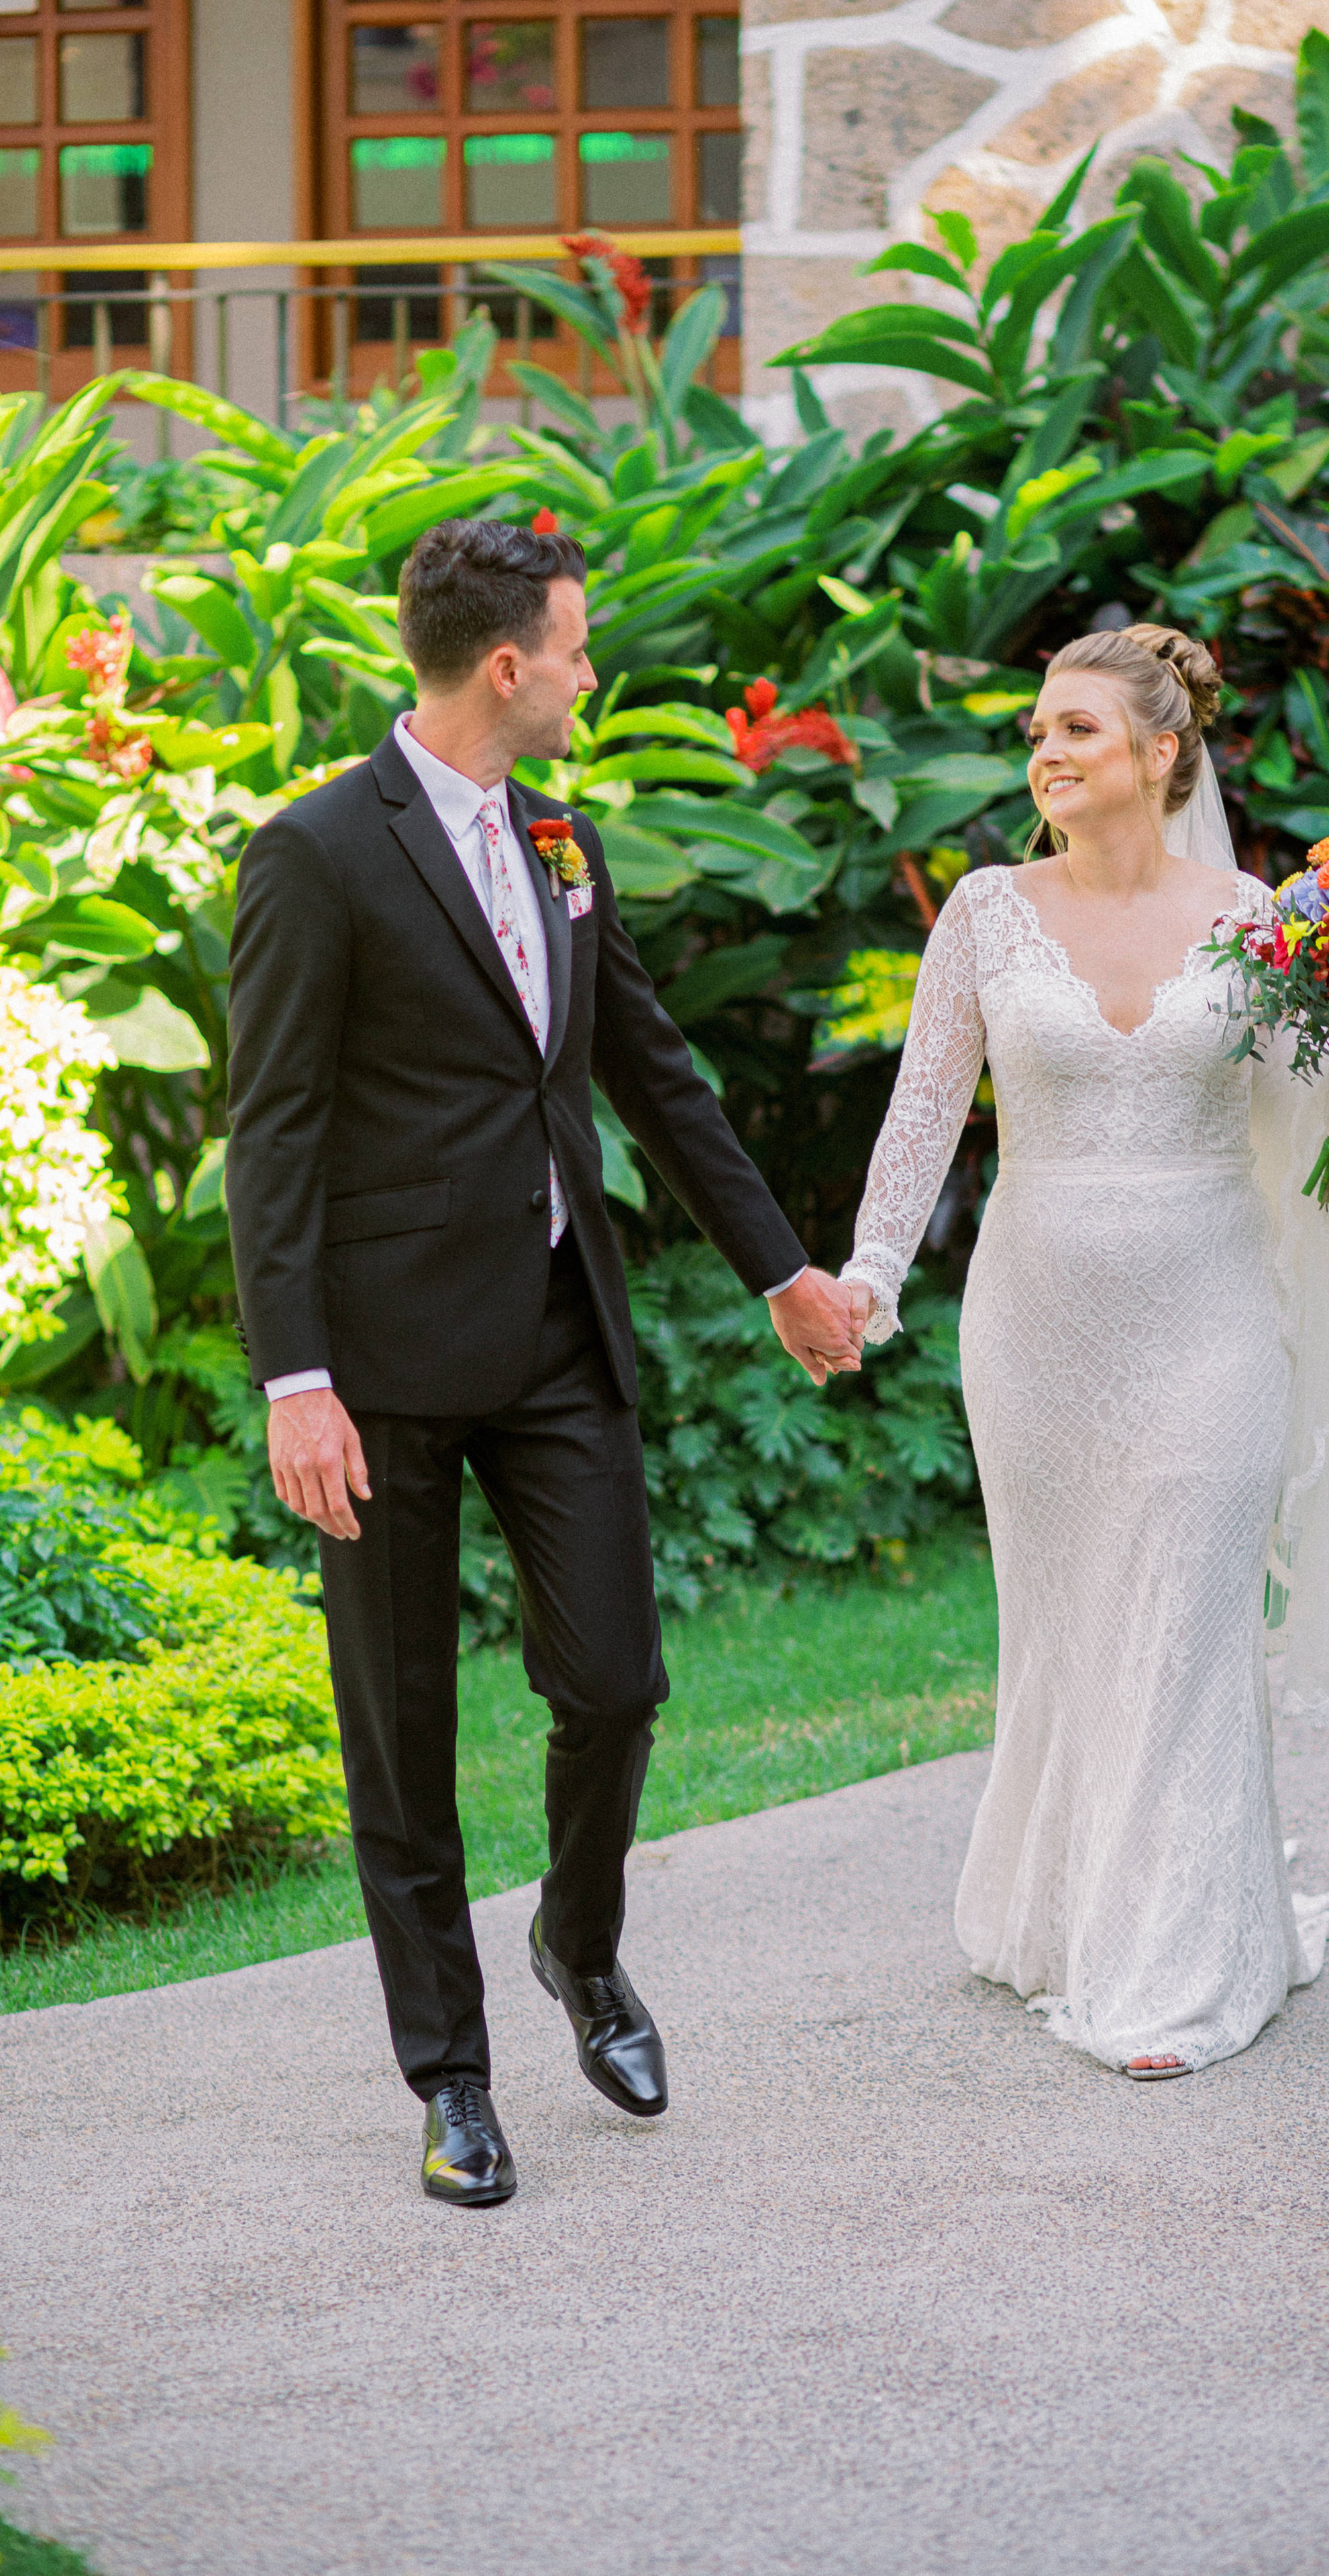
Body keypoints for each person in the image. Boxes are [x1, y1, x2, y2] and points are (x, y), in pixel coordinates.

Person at [225, 517, 862, 2204]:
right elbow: (271, 1137)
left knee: (616, 1685)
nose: (591, 675)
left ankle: (578, 1948)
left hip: (560, 1340)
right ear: (505, 666)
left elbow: (651, 1073)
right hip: (378, 1377)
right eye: (576, 649)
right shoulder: (314, 855)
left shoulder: (562, 837)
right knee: (403, 1739)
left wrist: (781, 1273)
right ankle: (449, 2079)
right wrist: (297, 1379)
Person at [839, 624, 1329, 2078]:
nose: (1045, 751)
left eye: (1077, 729)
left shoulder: (1263, 918)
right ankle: (1057, 1908)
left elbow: (1326, 1119)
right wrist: (869, 1277)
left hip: (1212, 1321)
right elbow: (920, 1114)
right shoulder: (981, 912)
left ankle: (1172, 1975)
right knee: (1072, 1624)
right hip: (1033, 1330)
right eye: (1036, 727)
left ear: (1159, 753)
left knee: (1188, 1619)